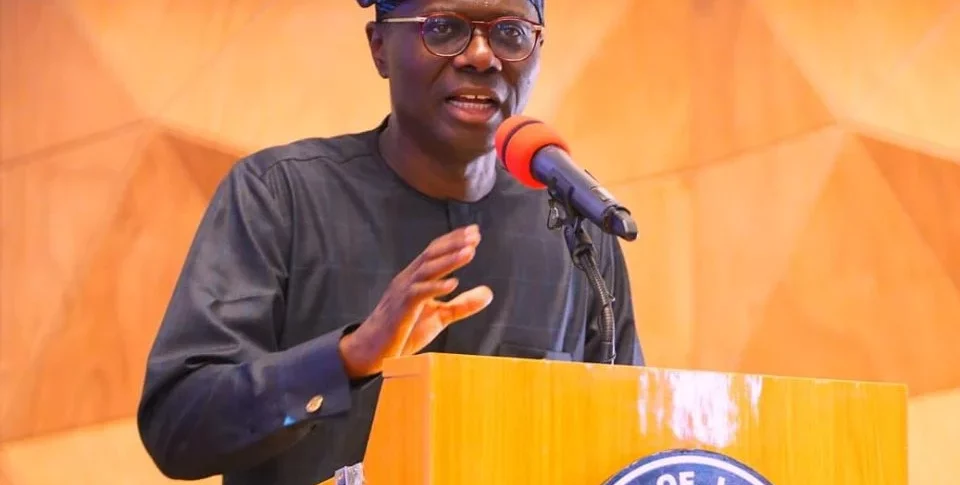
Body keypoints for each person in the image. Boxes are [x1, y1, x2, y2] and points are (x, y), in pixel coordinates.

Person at [136, 0, 645, 484]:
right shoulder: (279, 196)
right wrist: (347, 358)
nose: (481, 56)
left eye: (510, 33)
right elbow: (177, 426)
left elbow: (631, 440)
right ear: (380, 47)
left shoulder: (574, 231)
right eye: (443, 28)